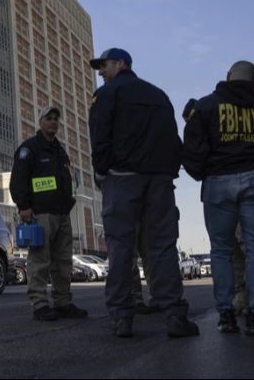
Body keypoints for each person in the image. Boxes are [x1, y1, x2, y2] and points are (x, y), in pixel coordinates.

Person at [88, 48, 199, 339]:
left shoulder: (107, 94)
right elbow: (172, 138)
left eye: (105, 65)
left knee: (121, 247)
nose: (101, 72)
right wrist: (169, 172)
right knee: (162, 246)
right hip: (159, 181)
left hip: (123, 180)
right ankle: (174, 314)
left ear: (121, 63)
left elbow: (99, 137)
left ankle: (122, 318)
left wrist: (101, 173)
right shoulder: (159, 95)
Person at [182, 60, 254, 336]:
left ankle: (226, 315)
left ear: (228, 77)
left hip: (218, 181)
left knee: (220, 251)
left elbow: (191, 146)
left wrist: (201, 172)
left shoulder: (206, 106)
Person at [10, 105, 89, 321]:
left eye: (56, 119)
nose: (53, 122)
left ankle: (63, 302)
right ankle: (40, 304)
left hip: (62, 214)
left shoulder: (60, 151)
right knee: (40, 261)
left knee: (63, 262)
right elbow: (18, 180)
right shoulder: (29, 149)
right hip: (40, 214)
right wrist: (24, 206)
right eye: (49, 118)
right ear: (40, 122)